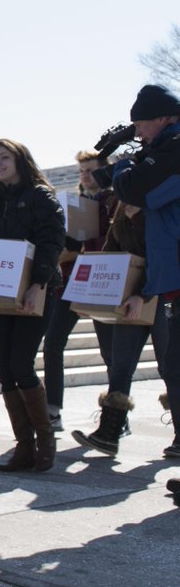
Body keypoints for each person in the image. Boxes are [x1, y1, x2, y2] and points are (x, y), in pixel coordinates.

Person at [0, 139, 65, 473]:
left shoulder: (40, 196)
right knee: (5, 368)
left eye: (3, 157)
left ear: (20, 160)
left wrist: (38, 283)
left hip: (37, 290)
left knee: (22, 364)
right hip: (0, 292)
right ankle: (24, 446)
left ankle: (45, 441)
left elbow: (51, 243)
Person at [93, 84, 180, 459]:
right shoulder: (160, 150)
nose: (138, 132)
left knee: (174, 367)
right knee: (174, 369)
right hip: (169, 281)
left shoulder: (174, 150)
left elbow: (135, 189)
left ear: (164, 118)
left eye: (141, 124)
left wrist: (123, 166)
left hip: (166, 278)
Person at [72, 199, 167, 455]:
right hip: (129, 301)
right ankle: (109, 433)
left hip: (163, 298)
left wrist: (141, 295)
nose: (127, 204)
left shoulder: (160, 216)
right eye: (124, 198)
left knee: (170, 368)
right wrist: (90, 297)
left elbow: (161, 260)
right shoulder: (120, 224)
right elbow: (108, 261)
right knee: (121, 366)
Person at [41, 150, 116, 431]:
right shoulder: (73, 204)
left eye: (91, 170)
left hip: (102, 282)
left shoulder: (115, 201)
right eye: (82, 170)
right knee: (53, 344)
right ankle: (52, 409)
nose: (85, 175)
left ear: (104, 171)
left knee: (110, 352)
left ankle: (116, 415)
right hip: (70, 283)